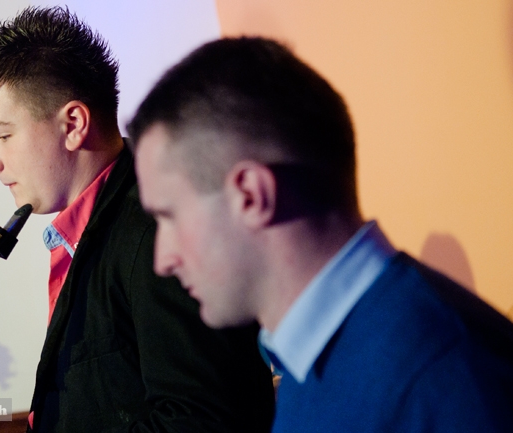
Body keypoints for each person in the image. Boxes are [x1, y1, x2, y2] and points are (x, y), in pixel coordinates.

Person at [127, 36, 513, 432]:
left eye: (169, 216)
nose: (162, 261)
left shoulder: (445, 376)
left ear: (251, 196)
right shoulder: (313, 358)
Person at [0, 7, 275, 433]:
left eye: (3, 135)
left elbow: (203, 418)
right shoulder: (101, 226)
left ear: (73, 124)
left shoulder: (158, 231)